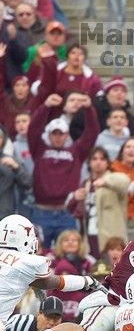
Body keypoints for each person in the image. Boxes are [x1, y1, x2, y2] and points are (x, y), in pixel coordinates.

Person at [27, 93, 99, 248]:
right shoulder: (39, 149)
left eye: (61, 133)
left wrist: (89, 109)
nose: (58, 137)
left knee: (68, 253)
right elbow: (33, 130)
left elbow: (91, 134)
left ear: (67, 135)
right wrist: (45, 106)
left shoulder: (77, 151)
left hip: (66, 212)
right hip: (41, 212)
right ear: (49, 135)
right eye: (55, 133)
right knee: (37, 254)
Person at [65, 146, 131, 259]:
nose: (98, 162)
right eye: (94, 159)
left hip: (111, 242)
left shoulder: (112, 180)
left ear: (107, 162)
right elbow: (70, 208)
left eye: (102, 159)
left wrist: (105, 181)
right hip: (89, 240)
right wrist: (75, 197)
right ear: (89, 162)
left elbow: (125, 181)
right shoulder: (86, 183)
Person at [111, 137, 134, 221]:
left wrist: (125, 215)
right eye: (128, 147)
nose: (131, 150)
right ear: (122, 150)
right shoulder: (111, 167)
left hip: (121, 220)